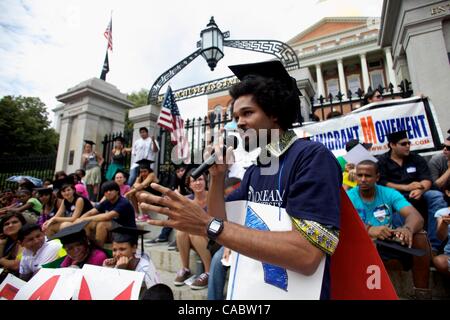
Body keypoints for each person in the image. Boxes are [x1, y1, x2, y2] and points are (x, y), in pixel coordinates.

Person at [139, 60, 342, 299]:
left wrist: (207, 224)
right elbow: (222, 221)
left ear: (274, 113)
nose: (239, 123)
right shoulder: (257, 169)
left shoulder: (312, 157)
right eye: (236, 116)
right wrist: (217, 176)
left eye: (247, 113)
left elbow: (307, 255)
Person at [347, 160, 432, 299]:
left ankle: (422, 294)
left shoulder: (389, 193)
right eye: (359, 175)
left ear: (377, 177)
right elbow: (343, 223)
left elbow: (415, 216)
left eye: (368, 176)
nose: (362, 179)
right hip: (359, 244)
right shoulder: (349, 196)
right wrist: (369, 229)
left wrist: (407, 229)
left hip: (386, 241)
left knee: (420, 236)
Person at [377, 129, 447, 254]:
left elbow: (427, 179)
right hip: (395, 195)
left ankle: (434, 246)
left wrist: (421, 190)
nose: (408, 146)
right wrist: (406, 187)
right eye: (403, 144)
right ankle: (402, 247)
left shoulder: (416, 158)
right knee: (397, 206)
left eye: (409, 143)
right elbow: (382, 183)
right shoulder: (382, 161)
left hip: (419, 192)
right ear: (392, 145)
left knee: (436, 196)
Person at [74, 181, 136, 246]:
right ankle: (88, 245)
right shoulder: (106, 202)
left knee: (102, 224)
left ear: (117, 191)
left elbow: (107, 216)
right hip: (114, 230)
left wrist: (84, 219)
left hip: (127, 230)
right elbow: (91, 212)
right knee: (87, 223)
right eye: (106, 191)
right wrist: (80, 220)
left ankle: (98, 248)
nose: (108, 192)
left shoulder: (123, 202)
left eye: (111, 190)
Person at [102, 225, 160, 291]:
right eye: (114, 250)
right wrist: (108, 270)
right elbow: (107, 289)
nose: (117, 254)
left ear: (134, 248)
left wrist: (120, 271)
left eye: (122, 249)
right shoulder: (113, 264)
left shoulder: (145, 269)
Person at [146, 163, 188, 245]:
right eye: (178, 171)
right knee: (173, 211)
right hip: (180, 206)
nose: (180, 173)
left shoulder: (191, 180)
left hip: (191, 207)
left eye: (182, 170)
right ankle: (164, 236)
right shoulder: (176, 181)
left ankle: (169, 237)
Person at [0, 212, 26, 281]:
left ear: (22, 224)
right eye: (6, 224)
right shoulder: (6, 240)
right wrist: (2, 244)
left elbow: (16, 265)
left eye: (15, 222)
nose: (10, 225)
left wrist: (1, 260)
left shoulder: (26, 238)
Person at [432, 179, 450, 277]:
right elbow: (441, 237)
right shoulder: (442, 213)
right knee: (439, 261)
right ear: (448, 192)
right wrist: (444, 223)